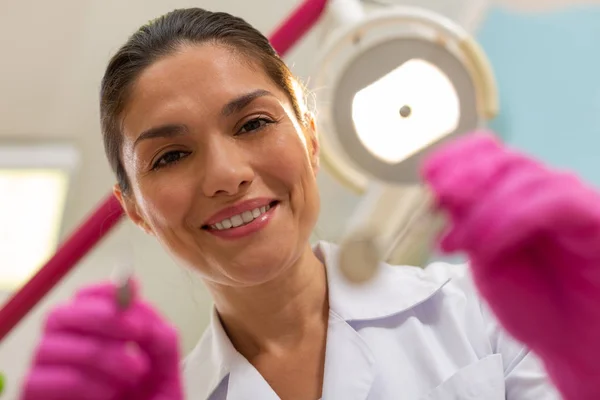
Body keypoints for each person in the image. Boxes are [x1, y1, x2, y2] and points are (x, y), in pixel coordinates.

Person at [18, 7, 600, 400]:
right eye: (170, 156)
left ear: (312, 137)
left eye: (253, 123)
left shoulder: (485, 316)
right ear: (135, 208)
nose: (226, 175)